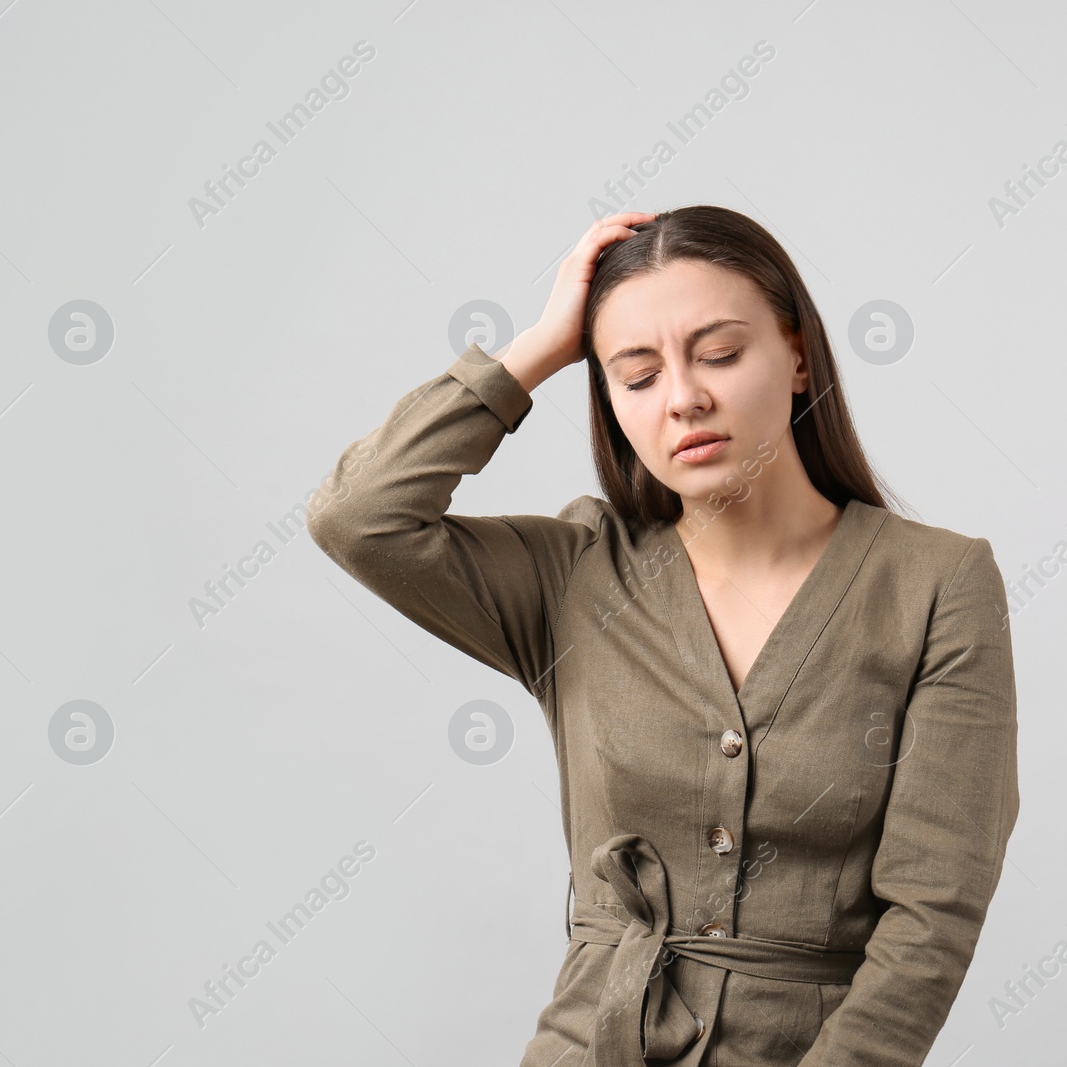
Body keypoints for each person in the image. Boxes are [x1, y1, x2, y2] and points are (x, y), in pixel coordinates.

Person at [307, 205, 1020, 1066]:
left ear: (797, 356)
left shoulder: (937, 585)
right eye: (636, 376)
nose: (685, 396)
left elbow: (933, 908)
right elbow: (359, 517)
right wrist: (536, 347)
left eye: (719, 354)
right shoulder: (571, 576)